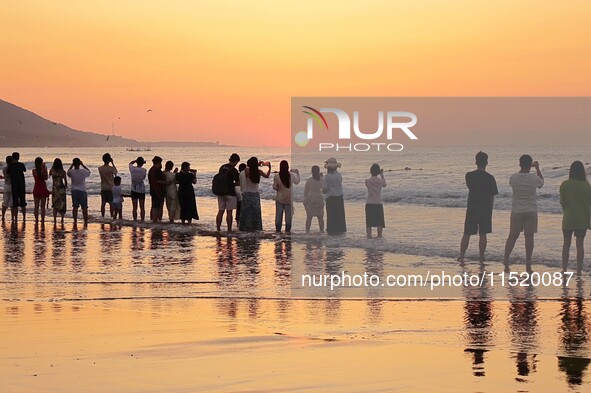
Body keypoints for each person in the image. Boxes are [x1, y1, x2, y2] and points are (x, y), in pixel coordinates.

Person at [503, 155, 544, 272]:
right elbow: (541, 183)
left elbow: (516, 179)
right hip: (531, 210)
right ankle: (528, 260)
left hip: (516, 210)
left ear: (519, 164)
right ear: (530, 164)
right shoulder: (533, 178)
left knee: (513, 235)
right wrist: (537, 168)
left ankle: (506, 258)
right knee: (529, 236)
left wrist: (526, 167)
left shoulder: (513, 178)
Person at [458, 152, 499, 263]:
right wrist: (491, 208)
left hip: (472, 206)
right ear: (487, 162)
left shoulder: (469, 175)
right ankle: (481, 257)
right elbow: (492, 196)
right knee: (483, 234)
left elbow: (470, 187)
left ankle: (461, 256)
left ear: (476, 162)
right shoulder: (490, 178)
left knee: (467, 233)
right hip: (485, 207)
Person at [560, 161, 591, 273]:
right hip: (582, 219)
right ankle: (578, 269)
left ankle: (564, 269)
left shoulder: (565, 184)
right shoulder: (586, 185)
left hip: (568, 218)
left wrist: (567, 211)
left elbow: (563, 202)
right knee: (580, 245)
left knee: (566, 244)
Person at [239, 157, 271, 231]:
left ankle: (245, 228)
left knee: (246, 212)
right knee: (255, 213)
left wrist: (257, 164)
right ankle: (256, 228)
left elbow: (246, 168)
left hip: (247, 194)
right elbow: (267, 176)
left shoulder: (246, 171)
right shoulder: (258, 172)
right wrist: (269, 168)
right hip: (255, 195)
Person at [215, 153, 241, 232]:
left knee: (220, 211)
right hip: (230, 193)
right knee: (229, 212)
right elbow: (237, 183)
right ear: (236, 161)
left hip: (220, 192)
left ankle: (218, 229)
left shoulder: (222, 167)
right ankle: (229, 230)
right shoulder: (234, 170)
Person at [273, 160, 300, 233]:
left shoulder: (277, 176)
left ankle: (278, 233)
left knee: (278, 217)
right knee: (288, 219)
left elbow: (275, 187)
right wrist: (298, 173)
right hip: (289, 200)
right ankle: (287, 234)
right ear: (287, 167)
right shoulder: (291, 175)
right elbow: (297, 182)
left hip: (280, 199)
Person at [323, 157, 346, 235]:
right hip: (339, 197)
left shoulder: (326, 177)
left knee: (331, 217)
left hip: (330, 198)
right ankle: (341, 231)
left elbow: (325, 189)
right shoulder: (339, 175)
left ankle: (332, 231)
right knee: (340, 216)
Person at [67, 158, 91, 226]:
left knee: (75, 207)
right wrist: (82, 165)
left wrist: (72, 165)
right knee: (84, 207)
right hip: (82, 190)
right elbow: (89, 171)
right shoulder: (83, 171)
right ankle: (85, 221)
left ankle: (75, 220)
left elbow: (67, 172)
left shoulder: (71, 171)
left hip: (74, 190)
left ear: (73, 164)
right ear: (79, 164)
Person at [365, 163, 387, 238]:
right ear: (378, 172)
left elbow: (370, 183)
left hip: (369, 203)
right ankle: (379, 237)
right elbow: (385, 185)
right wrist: (382, 175)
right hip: (378, 203)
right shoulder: (381, 181)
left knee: (369, 223)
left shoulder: (367, 181)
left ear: (371, 171)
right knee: (379, 223)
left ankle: (369, 236)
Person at [303, 165, 325, 233]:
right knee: (320, 218)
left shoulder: (309, 180)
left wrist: (305, 202)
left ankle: (307, 231)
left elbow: (305, 193)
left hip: (311, 200)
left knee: (309, 218)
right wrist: (321, 177)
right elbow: (325, 189)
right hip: (319, 199)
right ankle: (321, 231)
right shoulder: (321, 180)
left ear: (312, 172)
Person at [7, 152, 27, 222]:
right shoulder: (21, 165)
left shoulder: (11, 166)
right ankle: (24, 218)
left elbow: (8, 172)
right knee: (23, 203)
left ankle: (16, 218)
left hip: (14, 185)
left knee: (15, 203)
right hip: (21, 185)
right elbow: (24, 170)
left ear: (12, 158)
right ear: (18, 158)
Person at [98, 153, 117, 218]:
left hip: (103, 187)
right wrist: (113, 163)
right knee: (111, 203)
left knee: (103, 203)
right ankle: (111, 216)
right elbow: (116, 173)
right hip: (110, 187)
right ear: (109, 160)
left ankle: (103, 216)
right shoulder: (111, 168)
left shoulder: (100, 168)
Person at [148, 156, 167, 223]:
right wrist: (166, 182)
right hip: (157, 190)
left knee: (154, 206)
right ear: (158, 163)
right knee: (156, 207)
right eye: (160, 163)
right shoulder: (156, 170)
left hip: (153, 190)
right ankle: (155, 221)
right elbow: (157, 181)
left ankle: (154, 220)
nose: (161, 164)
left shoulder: (151, 170)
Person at [49, 158, 67, 226]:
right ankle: (62, 219)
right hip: (61, 188)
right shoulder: (63, 172)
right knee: (62, 204)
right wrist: (65, 187)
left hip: (55, 189)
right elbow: (65, 182)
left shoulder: (52, 170)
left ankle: (55, 220)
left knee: (55, 204)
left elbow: (49, 175)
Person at [32, 157, 50, 223]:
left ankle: (36, 219)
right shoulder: (44, 169)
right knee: (43, 206)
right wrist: (45, 169)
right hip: (42, 187)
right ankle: (42, 219)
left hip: (36, 187)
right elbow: (46, 178)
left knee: (36, 206)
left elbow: (36, 177)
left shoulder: (34, 171)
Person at [1, 156, 13, 222]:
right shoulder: (12, 169)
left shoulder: (4, 168)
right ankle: (12, 217)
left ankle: (3, 216)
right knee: (12, 202)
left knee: (5, 202)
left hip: (6, 185)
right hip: (12, 185)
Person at [235, 163, 246, 229]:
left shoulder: (239, 175)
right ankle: (243, 223)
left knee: (238, 208)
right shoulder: (245, 175)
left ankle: (238, 223)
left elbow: (237, 183)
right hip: (243, 193)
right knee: (243, 209)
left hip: (237, 193)